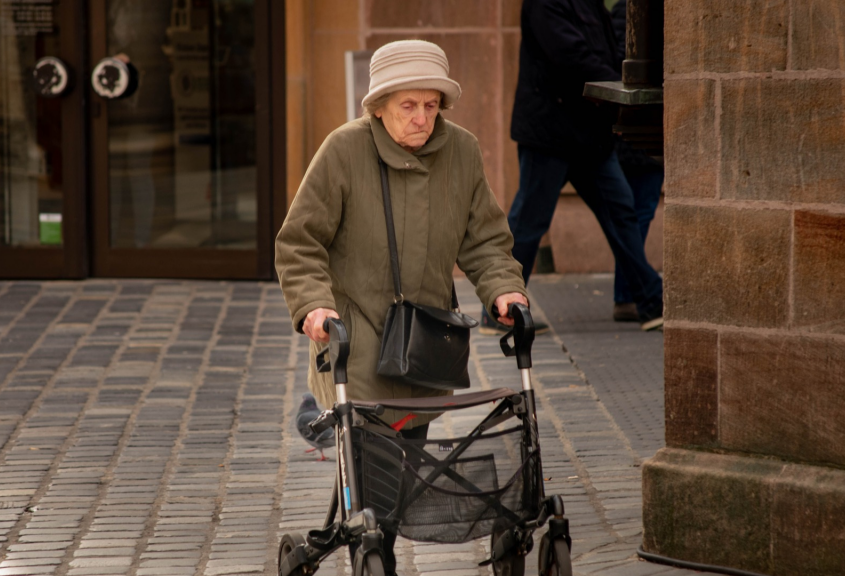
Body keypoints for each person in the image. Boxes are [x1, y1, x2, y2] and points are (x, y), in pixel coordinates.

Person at [274, 40, 529, 575]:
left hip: (425, 346)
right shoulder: (343, 150)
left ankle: (333, 458)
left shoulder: (461, 150)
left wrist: (504, 288)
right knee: (377, 474)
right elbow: (300, 243)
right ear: (380, 105)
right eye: (408, 106)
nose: (421, 118)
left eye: (431, 105)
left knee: (400, 461)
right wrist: (314, 308)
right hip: (356, 340)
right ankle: (375, 550)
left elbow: (484, 238)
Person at [491, 0, 664, 332]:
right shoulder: (544, 4)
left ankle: (650, 301)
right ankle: (502, 309)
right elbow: (570, 55)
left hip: (589, 135)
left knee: (621, 214)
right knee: (529, 221)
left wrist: (621, 80)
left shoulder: (589, 2)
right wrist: (615, 83)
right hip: (550, 133)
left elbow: (609, 48)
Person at [608, 0, 665, 322]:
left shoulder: (622, 12)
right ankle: (630, 293)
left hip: (634, 129)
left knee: (632, 215)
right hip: (639, 129)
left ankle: (630, 292)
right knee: (636, 214)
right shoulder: (632, 14)